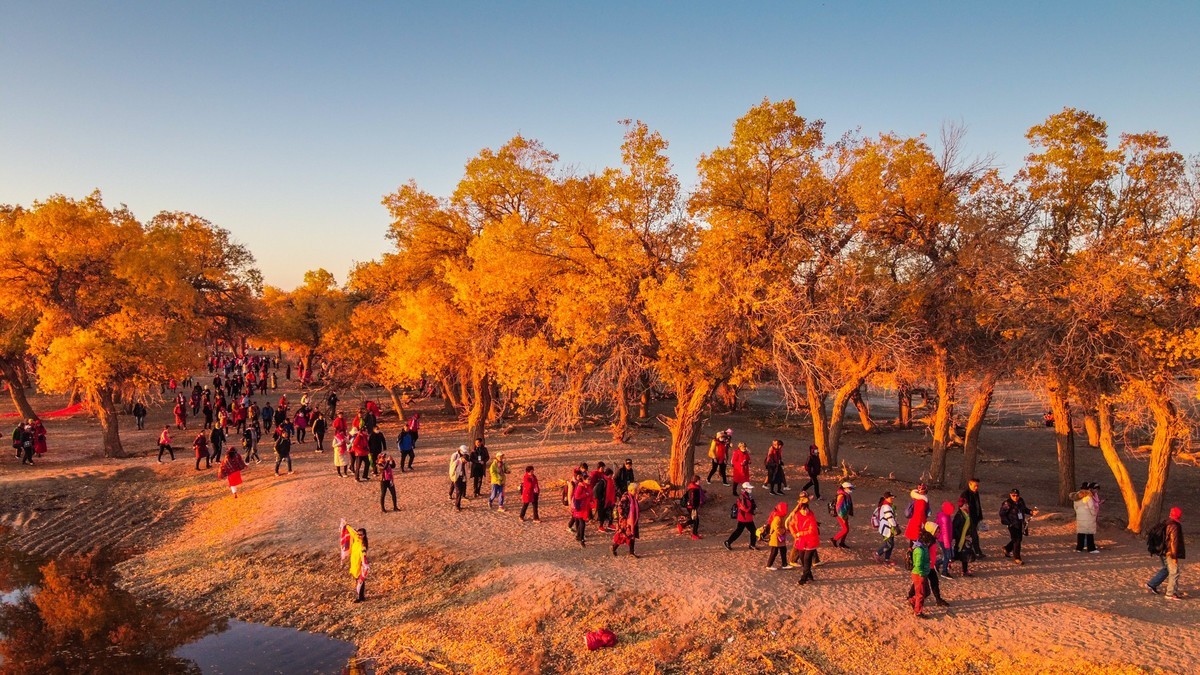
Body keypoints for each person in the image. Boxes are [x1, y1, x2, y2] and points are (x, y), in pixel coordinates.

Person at [1147, 507, 1185, 599]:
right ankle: (1171, 593)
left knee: (1166, 569)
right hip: (1169, 552)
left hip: (1162, 551)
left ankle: (1152, 584)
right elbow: (1174, 542)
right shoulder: (1174, 526)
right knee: (1174, 572)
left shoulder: (1166, 522)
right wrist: (1174, 556)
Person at [999, 488, 1036, 564]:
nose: (1015, 497)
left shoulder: (1021, 501)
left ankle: (1007, 548)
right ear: (1010, 495)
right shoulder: (1007, 503)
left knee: (1018, 539)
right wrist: (1008, 522)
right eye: (1013, 495)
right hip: (1012, 524)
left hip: (1020, 523)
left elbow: (1024, 509)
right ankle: (1017, 558)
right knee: (1017, 540)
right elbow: (1002, 513)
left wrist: (1031, 512)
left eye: (1017, 495)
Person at [793, 496, 820, 585]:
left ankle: (804, 578)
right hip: (801, 541)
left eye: (807, 509)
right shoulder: (796, 515)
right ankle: (809, 575)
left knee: (807, 559)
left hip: (811, 541)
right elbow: (791, 524)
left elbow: (812, 530)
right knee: (802, 558)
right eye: (804, 510)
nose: (806, 511)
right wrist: (795, 534)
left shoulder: (811, 516)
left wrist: (800, 533)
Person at [724, 483, 759, 550]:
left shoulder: (747, 496)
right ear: (745, 489)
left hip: (746, 518)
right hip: (744, 518)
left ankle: (729, 542)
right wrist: (751, 509)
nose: (750, 489)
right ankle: (728, 542)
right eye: (749, 488)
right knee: (743, 531)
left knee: (744, 531)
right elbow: (744, 508)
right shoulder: (743, 497)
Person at [959, 478, 986, 558]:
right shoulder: (965, 495)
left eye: (977, 486)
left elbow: (978, 505)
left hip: (975, 518)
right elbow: (961, 508)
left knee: (973, 535)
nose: (976, 487)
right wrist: (966, 519)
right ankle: (975, 552)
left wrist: (980, 516)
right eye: (975, 486)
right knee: (972, 536)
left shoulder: (976, 493)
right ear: (969, 484)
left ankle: (976, 552)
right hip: (968, 519)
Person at [343, 522, 368, 603]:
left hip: (359, 565)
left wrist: (365, 563)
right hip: (354, 563)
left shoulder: (362, 546)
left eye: (361, 534)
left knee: (360, 581)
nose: (359, 535)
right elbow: (352, 532)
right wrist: (346, 525)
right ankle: (361, 596)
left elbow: (363, 555)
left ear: (364, 536)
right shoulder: (356, 538)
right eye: (358, 534)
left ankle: (360, 597)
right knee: (358, 580)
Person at [612, 484, 641, 557]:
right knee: (623, 536)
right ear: (631, 490)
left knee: (632, 535)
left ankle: (631, 552)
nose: (637, 491)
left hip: (632, 520)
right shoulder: (625, 498)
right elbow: (620, 509)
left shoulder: (633, 497)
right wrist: (625, 518)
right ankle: (614, 547)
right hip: (625, 521)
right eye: (636, 490)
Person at [1071, 482, 1100, 553]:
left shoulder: (1077, 496)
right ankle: (1091, 549)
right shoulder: (1088, 497)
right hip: (1088, 516)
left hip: (1080, 516)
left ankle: (1079, 548)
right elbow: (1091, 507)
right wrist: (1094, 514)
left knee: (1081, 532)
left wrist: (1079, 513)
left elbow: (1075, 507)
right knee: (1089, 532)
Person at [909, 529, 933, 617]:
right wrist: (922, 574)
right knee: (921, 594)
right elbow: (918, 565)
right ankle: (918, 611)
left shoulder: (922, 548)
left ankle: (913, 600)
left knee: (926, 591)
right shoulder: (920, 550)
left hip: (922, 573)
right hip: (919, 574)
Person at [763, 501, 792, 570]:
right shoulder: (778, 518)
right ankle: (769, 565)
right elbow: (777, 528)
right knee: (774, 551)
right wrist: (784, 531)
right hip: (776, 537)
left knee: (782, 550)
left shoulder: (779, 516)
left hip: (778, 537)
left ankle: (784, 564)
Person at [951, 499, 974, 576]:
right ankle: (944, 563)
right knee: (959, 553)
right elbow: (955, 527)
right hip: (961, 538)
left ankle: (964, 570)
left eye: (967, 504)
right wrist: (960, 536)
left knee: (965, 554)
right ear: (960, 507)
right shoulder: (959, 516)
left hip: (967, 538)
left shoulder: (967, 514)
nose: (967, 506)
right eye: (965, 505)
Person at [874, 492, 897, 565]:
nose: (892, 499)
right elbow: (889, 517)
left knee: (890, 543)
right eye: (891, 498)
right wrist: (895, 526)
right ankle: (877, 553)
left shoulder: (885, 505)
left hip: (887, 528)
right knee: (889, 544)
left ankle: (887, 559)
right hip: (887, 528)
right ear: (886, 498)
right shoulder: (887, 506)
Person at [678, 475, 703, 540]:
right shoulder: (693, 489)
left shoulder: (694, 487)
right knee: (696, 520)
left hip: (692, 507)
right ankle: (694, 534)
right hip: (692, 507)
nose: (700, 482)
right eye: (699, 480)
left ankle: (682, 525)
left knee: (693, 520)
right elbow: (692, 499)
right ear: (696, 481)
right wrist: (694, 508)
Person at [571, 474, 593, 547]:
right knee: (582, 523)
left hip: (585, 507)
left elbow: (591, 494)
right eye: (588, 479)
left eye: (590, 479)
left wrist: (591, 500)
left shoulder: (588, 486)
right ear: (584, 480)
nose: (589, 481)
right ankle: (581, 538)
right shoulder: (580, 487)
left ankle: (579, 536)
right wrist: (585, 494)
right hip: (580, 507)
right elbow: (577, 496)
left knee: (581, 522)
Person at [935, 501, 955, 577]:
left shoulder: (943, 515)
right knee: (947, 555)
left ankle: (937, 563)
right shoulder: (945, 518)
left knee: (947, 555)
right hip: (944, 540)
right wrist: (947, 544)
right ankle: (944, 571)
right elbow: (945, 532)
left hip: (943, 539)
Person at [832, 481, 854, 548]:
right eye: (849, 488)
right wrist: (843, 517)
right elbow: (839, 508)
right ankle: (834, 539)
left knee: (846, 529)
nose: (851, 490)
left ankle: (842, 543)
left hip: (844, 514)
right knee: (845, 529)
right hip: (841, 515)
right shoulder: (842, 496)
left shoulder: (846, 495)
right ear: (845, 488)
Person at [450, 446, 470, 511]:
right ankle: (457, 506)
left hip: (463, 478)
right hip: (457, 478)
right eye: (466, 461)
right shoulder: (457, 462)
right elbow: (451, 470)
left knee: (461, 491)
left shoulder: (465, 463)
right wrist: (453, 478)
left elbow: (466, 470)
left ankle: (458, 504)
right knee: (458, 492)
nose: (466, 462)